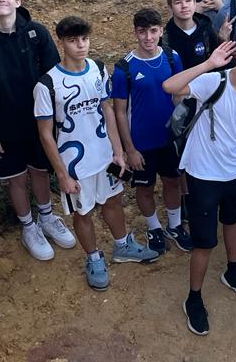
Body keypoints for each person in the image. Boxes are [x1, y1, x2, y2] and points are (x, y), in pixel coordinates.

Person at [35, 16, 159, 291]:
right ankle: (93, 259)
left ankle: (122, 245)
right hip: (74, 165)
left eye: (84, 39)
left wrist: (118, 151)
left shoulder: (98, 69)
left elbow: (107, 109)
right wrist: (61, 174)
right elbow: (45, 134)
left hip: (104, 156)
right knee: (83, 212)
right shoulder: (47, 84)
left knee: (114, 200)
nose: (81, 45)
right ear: (61, 43)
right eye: (73, 40)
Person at [162, 35, 236, 336]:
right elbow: (170, 87)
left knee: (233, 222)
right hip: (202, 173)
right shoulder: (214, 81)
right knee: (205, 241)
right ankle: (194, 297)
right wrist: (209, 63)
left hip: (233, 173)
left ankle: (233, 271)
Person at [0, 0, 74, 261]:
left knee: (40, 171)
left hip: (39, 121)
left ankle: (47, 218)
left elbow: (54, 78)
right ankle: (28, 227)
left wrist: (59, 120)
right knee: (16, 178)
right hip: (2, 125)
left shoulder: (37, 34)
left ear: (18, 2)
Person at [111, 8, 192, 255]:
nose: (148, 37)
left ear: (161, 31)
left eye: (153, 31)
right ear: (135, 33)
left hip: (169, 139)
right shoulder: (124, 68)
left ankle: (174, 226)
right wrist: (130, 149)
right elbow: (120, 112)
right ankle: (154, 227)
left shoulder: (171, 57)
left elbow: (180, 94)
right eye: (142, 32)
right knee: (144, 188)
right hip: (141, 143)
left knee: (172, 181)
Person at [163, 0, 225, 70]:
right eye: (178, 2)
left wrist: (223, 40)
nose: (184, 6)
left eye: (188, 0)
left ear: (195, 3)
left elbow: (219, 63)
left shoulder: (206, 29)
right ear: (170, 7)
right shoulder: (166, 37)